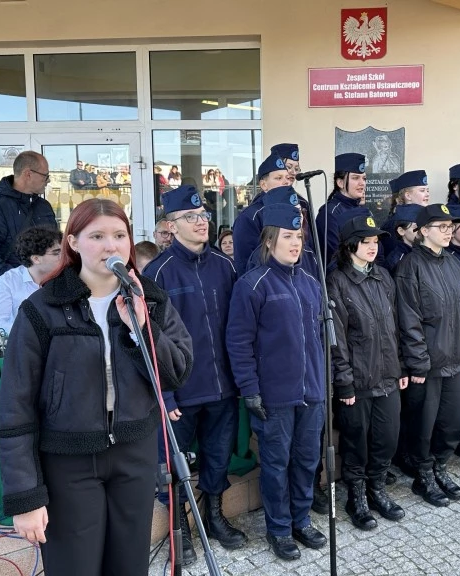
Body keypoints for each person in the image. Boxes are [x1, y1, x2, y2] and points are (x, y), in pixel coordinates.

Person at [0, 198, 192, 576]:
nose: (111, 246)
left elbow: (177, 372)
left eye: (120, 235)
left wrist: (141, 327)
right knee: (75, 566)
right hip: (68, 460)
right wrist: (25, 499)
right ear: (73, 242)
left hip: (134, 455)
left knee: (129, 566)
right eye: (97, 235)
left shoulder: (148, 299)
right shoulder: (41, 309)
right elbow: (15, 406)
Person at [144, 186, 246, 563]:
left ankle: (214, 516)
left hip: (223, 388)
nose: (201, 222)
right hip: (181, 393)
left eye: (203, 215)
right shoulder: (158, 273)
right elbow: (149, 342)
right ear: (171, 225)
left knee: (218, 458)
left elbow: (240, 328)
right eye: (191, 217)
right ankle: (180, 531)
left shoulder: (226, 265)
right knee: (174, 465)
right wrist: (166, 395)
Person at [227, 203, 326, 561]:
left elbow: (319, 338)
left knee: (306, 460)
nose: (295, 243)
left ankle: (301, 518)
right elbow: (238, 343)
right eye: (288, 236)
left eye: (299, 237)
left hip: (311, 393)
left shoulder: (313, 283)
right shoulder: (252, 284)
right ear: (269, 241)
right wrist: (249, 390)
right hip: (274, 397)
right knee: (275, 464)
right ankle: (279, 528)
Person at [396, 204, 460, 507]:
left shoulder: (453, 264)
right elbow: (409, 318)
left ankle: (440, 466)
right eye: (442, 227)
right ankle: (423, 475)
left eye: (450, 227)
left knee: (453, 422)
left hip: (455, 360)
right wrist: (418, 362)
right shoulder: (411, 266)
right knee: (423, 424)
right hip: (428, 365)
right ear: (423, 231)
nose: (448, 232)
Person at [328, 214, 408, 531]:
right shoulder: (337, 282)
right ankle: (357, 496)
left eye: (375, 241)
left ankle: (377, 489)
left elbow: (394, 329)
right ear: (350, 245)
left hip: (387, 376)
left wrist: (399, 367)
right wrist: (344, 384)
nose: (372, 247)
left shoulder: (384, 278)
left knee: (386, 440)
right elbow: (337, 341)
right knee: (356, 443)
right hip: (358, 382)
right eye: (366, 241)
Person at [0, 151, 58, 283]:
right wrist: (16, 280)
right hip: (15, 291)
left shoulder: (43, 206)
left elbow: (55, 247)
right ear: (28, 174)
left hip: (46, 286)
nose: (48, 180)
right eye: (45, 176)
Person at [0, 227, 62, 337]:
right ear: (36, 259)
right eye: (56, 253)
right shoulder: (9, 281)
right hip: (24, 345)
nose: (64, 257)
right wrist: (33, 331)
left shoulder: (68, 278)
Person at [231, 152, 289, 273]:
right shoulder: (250, 217)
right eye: (278, 178)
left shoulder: (293, 210)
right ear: (263, 185)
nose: (286, 182)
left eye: (287, 178)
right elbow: (245, 264)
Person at [316, 153, 367, 267]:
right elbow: (333, 255)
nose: (362, 183)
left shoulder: (363, 209)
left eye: (364, 178)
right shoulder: (329, 213)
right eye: (355, 178)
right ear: (340, 183)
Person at [380, 171, 430, 256]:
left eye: (427, 190)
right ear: (408, 196)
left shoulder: (425, 217)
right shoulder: (393, 224)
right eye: (422, 191)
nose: (427, 194)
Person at [382, 204, 421, 274]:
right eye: (415, 227)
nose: (420, 231)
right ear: (401, 231)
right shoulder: (396, 260)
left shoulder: (424, 251)